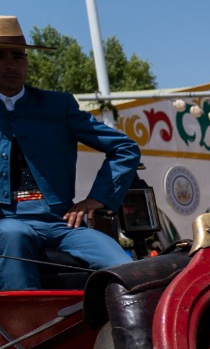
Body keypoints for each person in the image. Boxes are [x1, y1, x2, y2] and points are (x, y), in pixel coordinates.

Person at [0, 16, 139, 290]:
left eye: (18, 56)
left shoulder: (58, 105)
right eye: (1, 56)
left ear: (27, 62)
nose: (10, 65)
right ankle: (27, 331)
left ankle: (138, 333)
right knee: (12, 234)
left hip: (62, 223)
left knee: (128, 268)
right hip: (8, 223)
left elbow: (125, 148)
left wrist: (96, 199)